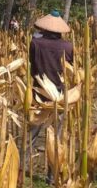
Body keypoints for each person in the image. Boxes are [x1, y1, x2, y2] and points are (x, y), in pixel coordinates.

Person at [28, 10, 73, 184]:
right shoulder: (68, 47)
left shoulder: (35, 43)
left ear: (45, 28)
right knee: (56, 136)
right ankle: (52, 176)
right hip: (60, 96)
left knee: (32, 134)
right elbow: (70, 70)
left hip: (39, 93)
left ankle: (21, 168)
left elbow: (33, 66)